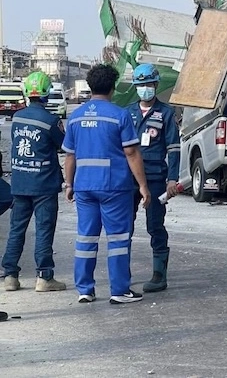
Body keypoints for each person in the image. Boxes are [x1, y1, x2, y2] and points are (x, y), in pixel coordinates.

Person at [62, 64, 150, 304]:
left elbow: (70, 156)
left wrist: (69, 184)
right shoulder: (119, 115)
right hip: (114, 187)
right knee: (118, 239)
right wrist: (143, 185)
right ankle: (120, 290)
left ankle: (85, 290)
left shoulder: (76, 116)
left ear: (90, 87)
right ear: (113, 88)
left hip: (84, 186)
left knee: (86, 238)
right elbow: (131, 152)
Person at [2, 71, 67, 293]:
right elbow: (64, 145)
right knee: (43, 230)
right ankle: (44, 277)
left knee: (16, 230)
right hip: (44, 186)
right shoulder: (51, 121)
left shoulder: (17, 117)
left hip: (20, 183)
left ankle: (10, 276)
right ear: (48, 93)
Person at [126, 63, 180, 293]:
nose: (145, 89)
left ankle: (159, 275)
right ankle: (122, 273)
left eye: (149, 84)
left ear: (156, 85)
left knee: (155, 225)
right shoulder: (127, 112)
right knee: (124, 226)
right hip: (129, 178)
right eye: (141, 85)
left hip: (156, 177)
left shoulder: (166, 113)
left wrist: (172, 179)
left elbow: (174, 148)